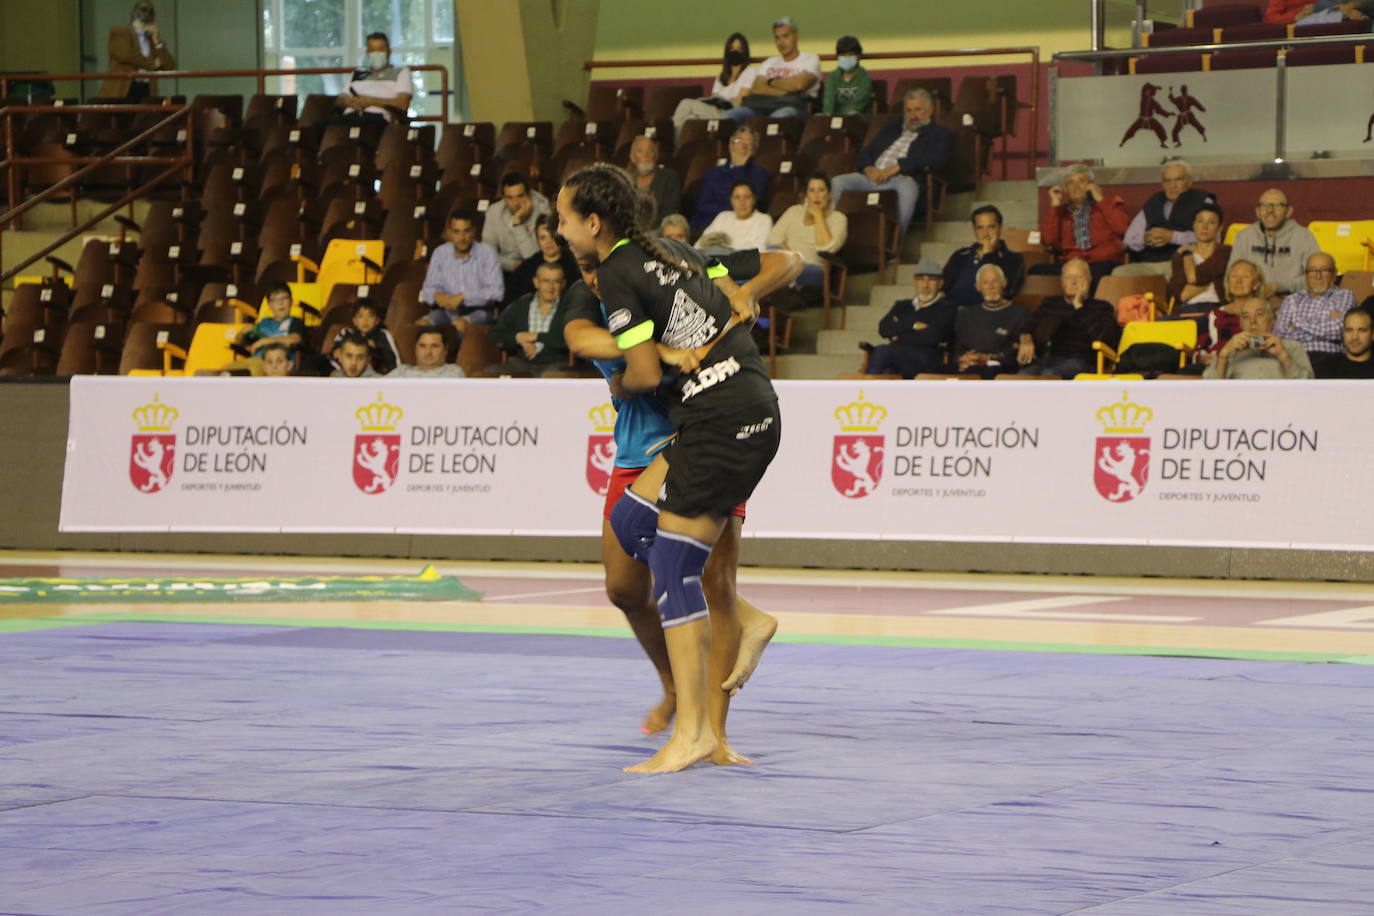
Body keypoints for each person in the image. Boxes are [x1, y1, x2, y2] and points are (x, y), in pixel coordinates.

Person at [556, 163, 784, 772]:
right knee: (637, 540)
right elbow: (581, 338)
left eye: (563, 219)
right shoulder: (623, 274)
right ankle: (740, 629)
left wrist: (746, 292)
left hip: (707, 424)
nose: (557, 230)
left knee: (690, 574)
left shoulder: (650, 263)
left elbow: (784, 261)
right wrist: (655, 348)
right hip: (715, 418)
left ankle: (704, 732)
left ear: (595, 223)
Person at [829, 89, 954, 242]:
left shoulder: (940, 134)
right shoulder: (892, 128)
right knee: (837, 182)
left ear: (930, 110)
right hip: (870, 177)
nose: (913, 115)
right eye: (909, 110)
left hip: (901, 180)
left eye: (918, 110)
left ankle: (895, 244)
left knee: (908, 187)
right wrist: (868, 168)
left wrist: (897, 168)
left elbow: (937, 160)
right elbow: (866, 152)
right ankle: (831, 237)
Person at [1020, 259, 1120, 378]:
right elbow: (1026, 326)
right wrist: (1026, 340)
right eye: (1069, 277)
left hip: (1081, 361)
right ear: (1062, 282)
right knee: (1022, 376)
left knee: (1049, 375)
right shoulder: (1050, 303)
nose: (1074, 282)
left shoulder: (1102, 307)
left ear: (1089, 280)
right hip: (1048, 358)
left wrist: (1078, 305)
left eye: (1079, 277)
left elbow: (1102, 337)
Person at [1116, 159, 1217, 277]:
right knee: (1119, 274)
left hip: (1185, 263)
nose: (1172, 186)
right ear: (1162, 184)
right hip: (1150, 263)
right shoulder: (1153, 203)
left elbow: (1214, 238)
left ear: (1189, 182)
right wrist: (1145, 239)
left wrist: (1173, 237)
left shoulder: (1203, 201)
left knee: (1174, 276)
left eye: (1178, 180)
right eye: (1167, 181)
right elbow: (1129, 240)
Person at [1036, 164, 1130, 286]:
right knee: (1037, 271)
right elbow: (1048, 240)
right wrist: (1055, 204)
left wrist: (1100, 198)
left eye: (1081, 181)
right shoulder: (1061, 212)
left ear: (1091, 185)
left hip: (1102, 262)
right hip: (1072, 264)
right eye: (1070, 183)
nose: (1076, 187)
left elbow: (1123, 228)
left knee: (1094, 274)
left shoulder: (1109, 203)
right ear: (1065, 188)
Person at [864, 259, 956, 377]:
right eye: (921, 279)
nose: (925, 285)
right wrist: (913, 325)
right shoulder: (902, 305)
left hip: (926, 360)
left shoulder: (946, 307)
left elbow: (934, 337)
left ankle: (863, 392)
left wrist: (899, 333)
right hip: (898, 358)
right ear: (914, 282)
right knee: (887, 371)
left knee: (882, 351)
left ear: (941, 283)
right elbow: (883, 329)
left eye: (932, 279)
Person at [418, 210, 504, 334]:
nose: (462, 238)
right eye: (456, 232)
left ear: (473, 232)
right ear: (449, 233)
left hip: (479, 312)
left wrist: (463, 297)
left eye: (466, 231)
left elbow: (497, 292)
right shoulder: (440, 253)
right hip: (445, 312)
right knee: (421, 325)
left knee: (458, 326)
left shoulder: (487, 253)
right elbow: (428, 289)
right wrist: (436, 296)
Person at [1227, 188, 1320, 298]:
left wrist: (1278, 286)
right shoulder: (1244, 236)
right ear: (1257, 211)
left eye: (1277, 205)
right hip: (1253, 302)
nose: (1270, 210)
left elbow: (1316, 278)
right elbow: (1230, 276)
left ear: (1289, 211)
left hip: (1293, 302)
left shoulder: (1304, 237)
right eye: (1264, 205)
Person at [727, 16, 821, 122]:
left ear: (796, 36)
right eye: (777, 37)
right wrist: (787, 88)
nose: (781, 42)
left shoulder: (811, 59)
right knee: (730, 116)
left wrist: (769, 82)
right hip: (762, 108)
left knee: (778, 116)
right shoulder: (769, 62)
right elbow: (756, 88)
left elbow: (799, 85)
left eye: (785, 36)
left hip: (795, 109)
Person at [488, 262, 574, 377]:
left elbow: (568, 339)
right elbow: (496, 335)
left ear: (563, 284)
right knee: (489, 373)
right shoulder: (521, 305)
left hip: (556, 364)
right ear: (536, 282)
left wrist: (535, 336)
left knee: (552, 379)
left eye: (556, 282)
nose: (550, 287)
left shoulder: (569, 306)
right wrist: (518, 338)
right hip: (521, 363)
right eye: (545, 281)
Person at [1275, 251, 1355, 374]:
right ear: (1305, 275)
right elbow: (1280, 335)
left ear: (1334, 274)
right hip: (1294, 357)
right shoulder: (1292, 300)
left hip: (1329, 358)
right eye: (1312, 271)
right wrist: (1324, 324)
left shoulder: (1344, 296)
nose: (1318, 276)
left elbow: (1338, 331)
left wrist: (1297, 323)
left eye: (1324, 270)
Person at [767, 171, 848, 289]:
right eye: (812, 191)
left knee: (769, 269)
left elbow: (827, 248)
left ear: (829, 194)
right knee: (770, 253)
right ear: (806, 195)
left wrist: (818, 215)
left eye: (821, 190)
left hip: (813, 268)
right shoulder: (794, 211)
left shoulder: (838, 218)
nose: (816, 195)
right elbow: (772, 239)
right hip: (786, 263)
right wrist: (794, 258)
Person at [1203, 297, 1314, 379]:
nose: (1252, 321)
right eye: (1246, 317)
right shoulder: (1229, 350)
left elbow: (1308, 388)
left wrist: (1283, 356)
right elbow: (1210, 392)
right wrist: (1224, 355)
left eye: (1259, 314)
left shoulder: (1292, 347)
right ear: (1241, 325)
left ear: (1272, 321)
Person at [955, 263, 1032, 378]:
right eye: (985, 282)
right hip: (968, 369)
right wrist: (962, 359)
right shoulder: (965, 313)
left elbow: (1016, 353)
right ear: (978, 287)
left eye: (995, 281)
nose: (990, 287)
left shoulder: (1020, 313)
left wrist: (987, 358)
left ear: (1004, 283)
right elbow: (957, 348)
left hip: (1000, 371)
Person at [941, 204, 1025, 306]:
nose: (985, 233)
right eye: (980, 228)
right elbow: (942, 287)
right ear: (974, 230)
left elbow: (1005, 293)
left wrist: (988, 255)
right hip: (952, 312)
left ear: (1000, 227)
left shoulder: (1013, 259)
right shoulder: (960, 255)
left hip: (986, 315)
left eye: (991, 227)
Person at [689, 127, 769, 232]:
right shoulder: (713, 173)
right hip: (708, 224)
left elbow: (749, 204)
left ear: (754, 150)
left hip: (741, 226)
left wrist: (740, 167)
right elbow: (704, 205)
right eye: (739, 140)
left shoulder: (760, 174)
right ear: (731, 145)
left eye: (749, 142)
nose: (743, 145)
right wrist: (728, 211)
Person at [327, 32, 412, 128]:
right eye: (372, 50)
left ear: (388, 51)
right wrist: (347, 102)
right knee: (318, 128)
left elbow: (402, 104)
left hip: (378, 118)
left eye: (380, 49)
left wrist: (370, 101)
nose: (376, 53)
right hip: (351, 116)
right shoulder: (358, 73)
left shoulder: (401, 72)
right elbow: (339, 100)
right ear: (367, 53)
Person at [672, 33, 758, 127]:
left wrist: (724, 101)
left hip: (730, 112)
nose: (735, 52)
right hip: (715, 110)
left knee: (686, 103)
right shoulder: (722, 76)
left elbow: (740, 100)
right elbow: (714, 97)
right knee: (690, 118)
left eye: (739, 49)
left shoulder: (750, 72)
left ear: (745, 51)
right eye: (732, 49)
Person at [97, 1, 175, 100]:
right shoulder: (120, 31)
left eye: (151, 12)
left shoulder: (151, 40)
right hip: (123, 89)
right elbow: (126, 55)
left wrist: (157, 42)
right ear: (133, 13)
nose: (147, 14)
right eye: (143, 10)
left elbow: (169, 65)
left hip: (146, 89)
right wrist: (153, 65)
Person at [482, 172, 552, 276]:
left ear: (529, 195)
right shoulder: (494, 212)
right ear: (503, 197)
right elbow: (487, 255)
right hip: (504, 269)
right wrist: (511, 265)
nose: (515, 203)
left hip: (537, 271)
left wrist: (518, 224)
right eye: (510, 198)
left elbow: (535, 258)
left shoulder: (542, 210)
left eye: (520, 196)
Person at [1167, 202, 1230, 313]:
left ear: (1219, 228)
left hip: (1215, 308)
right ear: (1194, 225)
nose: (1204, 227)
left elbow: (1194, 277)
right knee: (1161, 324)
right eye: (1200, 221)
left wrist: (1187, 254)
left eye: (1211, 222)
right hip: (1186, 309)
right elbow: (1182, 294)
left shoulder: (1225, 252)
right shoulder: (1179, 255)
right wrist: (1210, 282)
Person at [507, 215, 578, 306]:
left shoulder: (575, 265)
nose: (548, 242)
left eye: (552, 236)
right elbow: (510, 294)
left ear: (560, 236)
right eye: (543, 238)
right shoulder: (528, 266)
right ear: (537, 240)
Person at [237, 283, 306, 366]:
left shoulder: (295, 322)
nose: (280, 303)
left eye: (284, 298)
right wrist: (242, 333)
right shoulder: (263, 323)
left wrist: (265, 341)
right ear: (269, 305)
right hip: (256, 362)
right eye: (275, 300)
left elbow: (294, 339)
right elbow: (241, 344)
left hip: (278, 364)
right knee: (226, 372)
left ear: (291, 301)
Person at [696, 181, 773, 254]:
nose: (742, 202)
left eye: (747, 197)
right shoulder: (723, 216)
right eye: (737, 197)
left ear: (754, 199)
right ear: (731, 200)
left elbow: (760, 249)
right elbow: (701, 243)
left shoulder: (763, 219)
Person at [327, 298, 398, 375]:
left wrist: (376, 348)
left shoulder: (383, 335)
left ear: (377, 320)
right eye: (360, 316)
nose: (365, 320)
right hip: (346, 373)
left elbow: (394, 362)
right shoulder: (346, 333)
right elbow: (333, 355)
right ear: (354, 321)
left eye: (370, 316)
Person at [629, 135, 682, 223]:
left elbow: (670, 213)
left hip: (658, 230)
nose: (646, 155)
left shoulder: (669, 178)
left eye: (651, 151)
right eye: (640, 151)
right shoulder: (625, 180)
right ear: (632, 157)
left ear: (656, 155)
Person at [821, 36, 872, 118]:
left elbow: (861, 101)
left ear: (858, 56)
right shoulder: (833, 76)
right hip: (835, 119)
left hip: (858, 119)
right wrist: (828, 115)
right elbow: (829, 99)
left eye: (851, 55)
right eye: (843, 55)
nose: (847, 58)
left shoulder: (864, 76)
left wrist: (849, 115)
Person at [1317, 307, 1374, 378]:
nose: (1354, 337)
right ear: (1343, 332)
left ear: (1372, 334)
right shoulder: (1327, 366)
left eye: (1362, 330)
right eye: (1349, 330)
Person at [388, 327, 465, 378]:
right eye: (422, 346)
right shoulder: (401, 372)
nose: (428, 352)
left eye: (434, 346)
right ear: (415, 348)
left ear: (445, 350)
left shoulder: (454, 373)